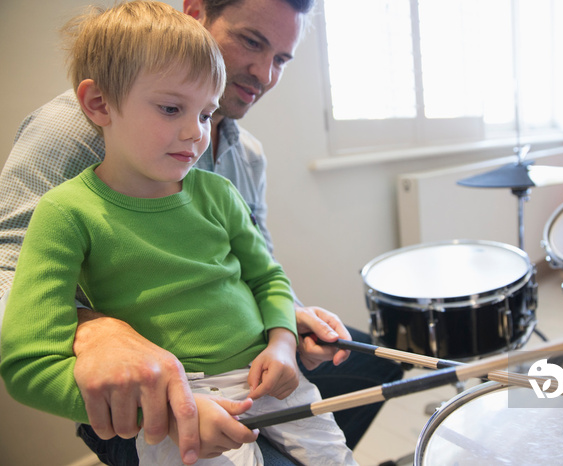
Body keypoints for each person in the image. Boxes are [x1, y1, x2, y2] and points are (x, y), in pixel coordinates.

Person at [0, 0, 403, 464]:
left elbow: (258, 269)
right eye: (252, 41)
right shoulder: (67, 145)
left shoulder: (242, 160)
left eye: (281, 59)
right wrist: (92, 328)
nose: (265, 73)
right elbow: (13, 273)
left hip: (249, 358)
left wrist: (288, 326)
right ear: (196, 14)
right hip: (168, 381)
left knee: (372, 365)